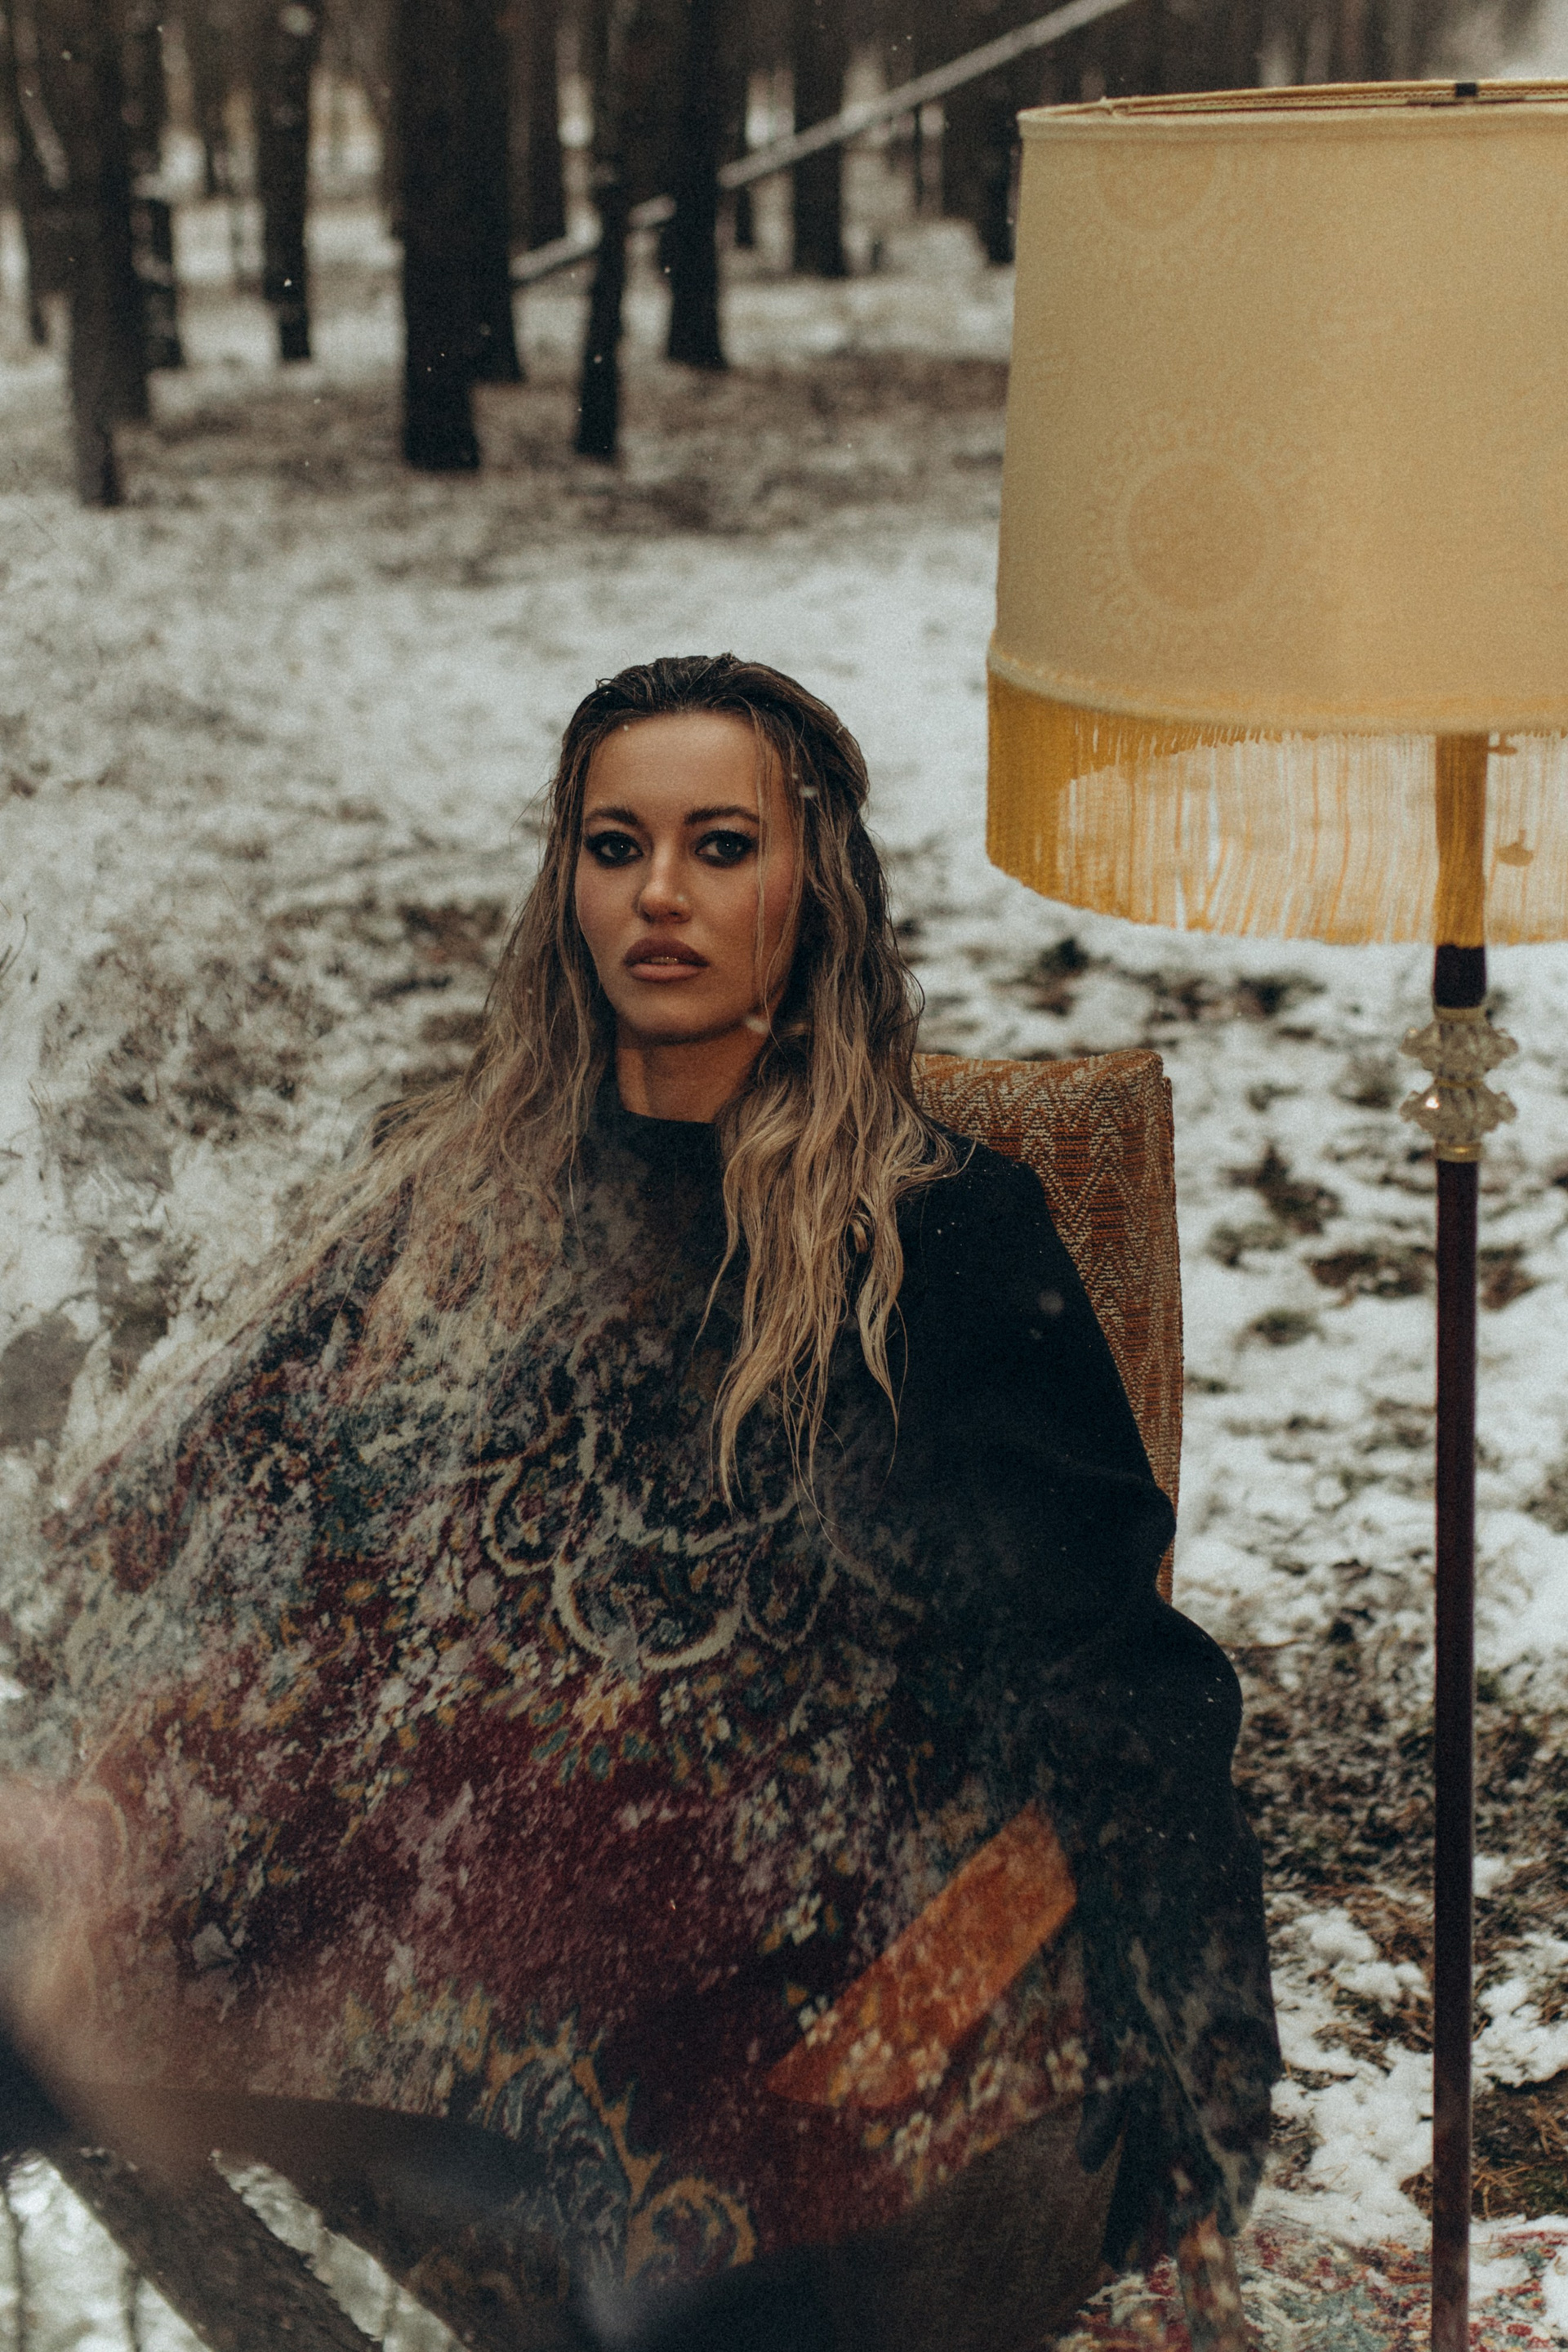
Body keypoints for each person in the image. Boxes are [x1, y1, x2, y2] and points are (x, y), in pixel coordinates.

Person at [0, 656, 1277, 2351]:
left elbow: (1109, 1667)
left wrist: (1186, 2051)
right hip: (430, 1893)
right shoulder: (448, 1190)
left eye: (722, 846)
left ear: (818, 892)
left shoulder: (939, 1235)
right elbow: (225, 1510)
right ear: (568, 887)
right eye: (617, 846)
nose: (661, 893)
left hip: (784, 1926)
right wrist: (100, 1779)